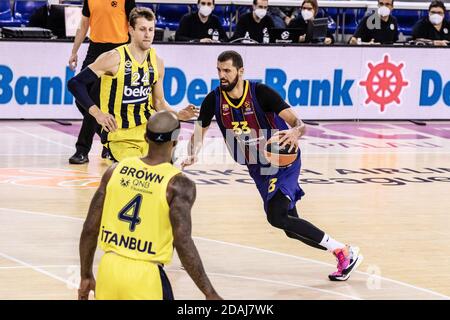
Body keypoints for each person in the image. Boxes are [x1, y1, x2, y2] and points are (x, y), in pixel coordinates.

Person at [182, 51, 363, 281]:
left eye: (227, 70)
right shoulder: (213, 100)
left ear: (240, 71)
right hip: (257, 168)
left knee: (276, 215)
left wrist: (296, 131)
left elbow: (299, 123)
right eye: (219, 70)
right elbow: (199, 132)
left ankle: (344, 252)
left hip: (281, 159)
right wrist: (191, 154)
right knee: (289, 227)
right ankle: (342, 252)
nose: (222, 75)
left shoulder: (261, 93)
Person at [78, 110, 222, 300]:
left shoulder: (115, 170)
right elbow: (183, 242)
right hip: (146, 276)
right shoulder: (178, 184)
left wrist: (86, 275)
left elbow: (90, 228)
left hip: (108, 270)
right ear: (176, 140)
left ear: (145, 137)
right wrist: (209, 293)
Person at [68, 7, 197, 162]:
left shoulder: (157, 62)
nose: (148, 34)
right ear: (130, 29)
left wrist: (178, 114)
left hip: (148, 134)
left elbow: (158, 102)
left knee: (167, 169)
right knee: (142, 172)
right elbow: (75, 83)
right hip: (121, 137)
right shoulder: (113, 58)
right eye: (142, 29)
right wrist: (98, 114)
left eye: (151, 29)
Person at [68, 0, 137, 164]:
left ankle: (82, 150)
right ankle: (107, 139)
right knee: (81, 99)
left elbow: (135, 25)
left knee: (95, 99)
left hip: (117, 51)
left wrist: (135, 53)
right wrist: (74, 52)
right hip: (94, 49)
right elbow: (83, 25)